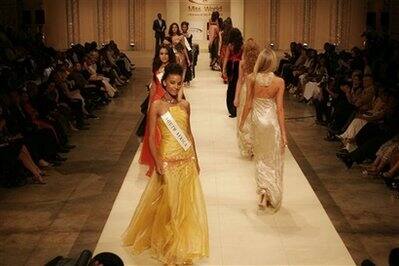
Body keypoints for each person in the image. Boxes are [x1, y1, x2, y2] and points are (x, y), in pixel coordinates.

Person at [122, 63, 209, 265]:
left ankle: (178, 245)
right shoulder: (157, 106)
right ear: (164, 82)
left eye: (179, 83)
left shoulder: (185, 106)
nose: (175, 87)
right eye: (172, 82)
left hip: (186, 160)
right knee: (170, 204)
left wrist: (196, 159)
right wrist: (157, 160)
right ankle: (167, 242)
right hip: (168, 160)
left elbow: (189, 134)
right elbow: (151, 137)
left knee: (184, 205)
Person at [240, 48, 287, 211]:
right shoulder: (279, 82)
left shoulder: (251, 78)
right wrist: (284, 134)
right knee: (272, 158)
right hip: (271, 121)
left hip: (258, 121)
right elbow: (280, 109)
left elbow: (248, 104)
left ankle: (263, 192)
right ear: (273, 62)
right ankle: (268, 192)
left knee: (260, 157)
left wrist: (241, 122)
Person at [139, 44, 176, 176]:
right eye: (161, 53)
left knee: (165, 131)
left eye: (166, 53)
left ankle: (166, 159)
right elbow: (153, 87)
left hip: (167, 99)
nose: (164, 56)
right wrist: (149, 105)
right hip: (156, 99)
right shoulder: (157, 67)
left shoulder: (172, 67)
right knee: (154, 132)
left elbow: (177, 86)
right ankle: (154, 163)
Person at [235, 38, 260, 158]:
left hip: (245, 91)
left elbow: (240, 81)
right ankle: (255, 146)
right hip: (257, 91)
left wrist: (236, 98)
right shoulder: (259, 63)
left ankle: (248, 146)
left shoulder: (242, 63)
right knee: (255, 118)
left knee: (244, 118)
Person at [222, 28, 243, 118]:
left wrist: (223, 69)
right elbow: (243, 59)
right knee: (239, 88)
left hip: (231, 67)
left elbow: (226, 58)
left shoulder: (230, 45)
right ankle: (237, 108)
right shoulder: (242, 46)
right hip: (239, 67)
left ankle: (231, 109)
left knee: (231, 88)